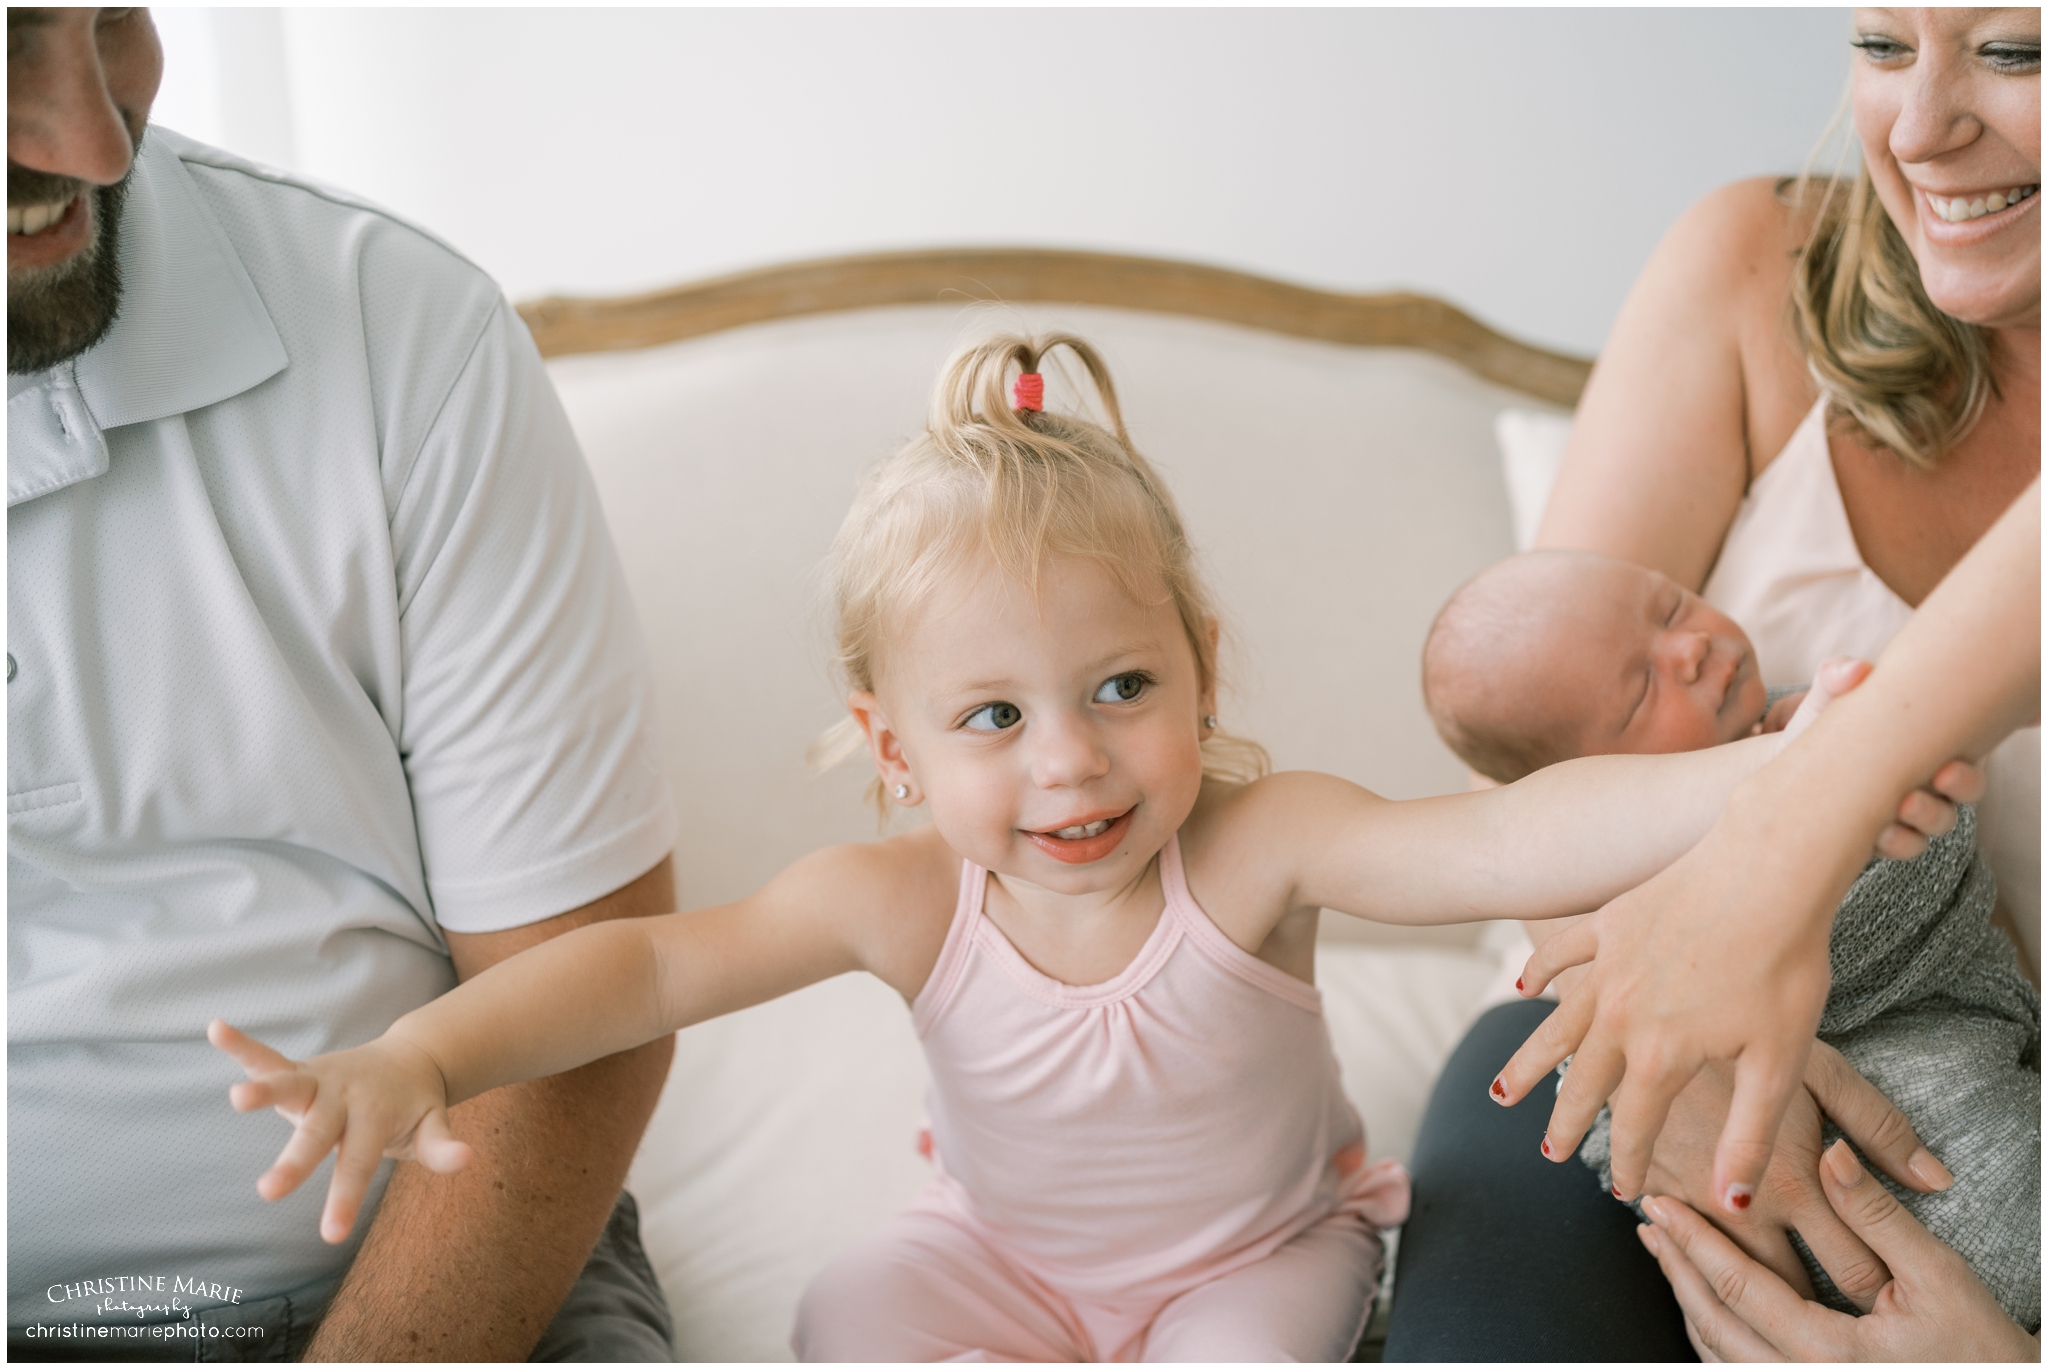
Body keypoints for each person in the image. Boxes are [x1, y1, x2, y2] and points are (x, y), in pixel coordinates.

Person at [204, 334, 1963, 1363]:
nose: (1072, 764)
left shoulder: (1256, 849)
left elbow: (1502, 835)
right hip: (1003, 1258)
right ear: (890, 746)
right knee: (850, 1309)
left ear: (1202, 663)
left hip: (1252, 1258)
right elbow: (652, 964)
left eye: (1122, 685)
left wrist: (1775, 785)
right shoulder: (896, 901)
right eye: (991, 720)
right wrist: (424, 1051)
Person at [9, 9, 680, 1360]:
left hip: (419, 1282)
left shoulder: (402, 330)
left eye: (109, 20)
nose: (92, 136)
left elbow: (580, 1014)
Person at [1389, 8, 2039, 1359]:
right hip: (1656, 1084)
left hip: (1982, 1166)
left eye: (2022, 52)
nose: (1921, 131)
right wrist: (1683, 1077)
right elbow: (1526, 788)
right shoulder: (1760, 269)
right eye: (1880, 43)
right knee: (1513, 1121)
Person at [1421, 548, 2039, 1328]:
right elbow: (1876, 895)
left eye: (1673, 605)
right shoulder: (1627, 869)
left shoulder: (1791, 715)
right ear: (1595, 781)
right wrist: (1849, 774)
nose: (1691, 647)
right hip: (1905, 1156)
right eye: (1642, 689)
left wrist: (1821, 751)